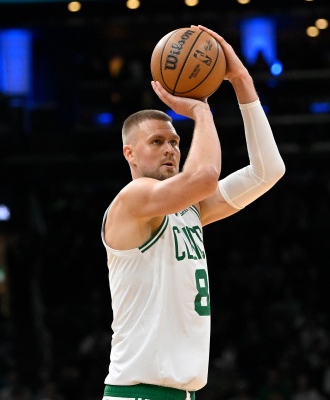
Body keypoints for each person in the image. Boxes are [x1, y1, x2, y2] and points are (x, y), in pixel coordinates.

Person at [100, 25, 286, 400]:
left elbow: (268, 171)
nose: (171, 149)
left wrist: (242, 81)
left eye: (174, 141)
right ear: (129, 153)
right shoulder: (133, 199)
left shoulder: (187, 209)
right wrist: (201, 113)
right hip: (140, 394)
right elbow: (203, 177)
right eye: (157, 141)